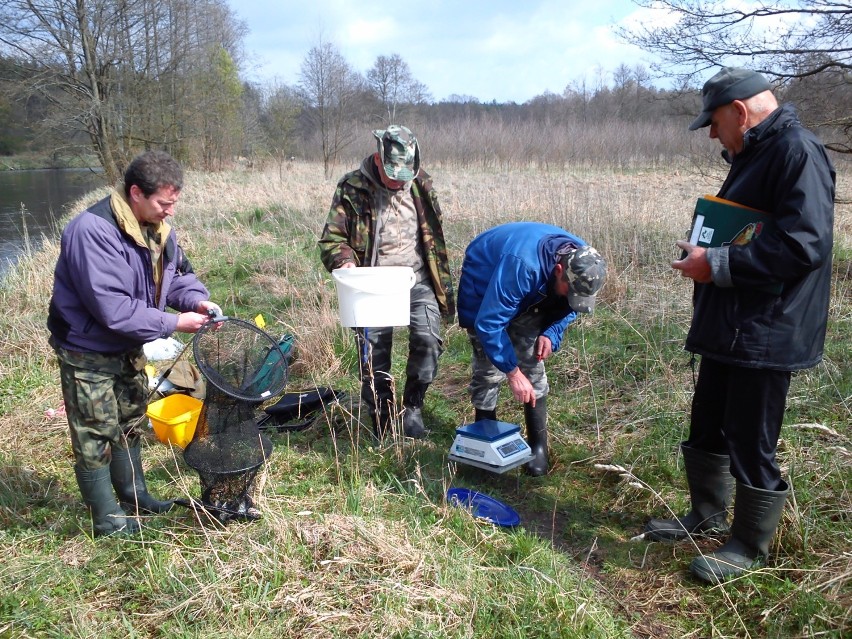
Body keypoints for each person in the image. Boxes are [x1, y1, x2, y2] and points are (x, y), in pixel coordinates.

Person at [643, 68, 836, 583]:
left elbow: (805, 244)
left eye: (713, 122)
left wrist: (719, 263)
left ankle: (749, 547)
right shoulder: (754, 154)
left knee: (752, 437)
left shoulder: (798, 152)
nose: (711, 134)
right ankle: (705, 516)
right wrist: (705, 253)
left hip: (767, 330)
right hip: (732, 323)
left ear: (740, 112)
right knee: (708, 421)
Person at [48, 150, 221, 536]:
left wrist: (198, 301)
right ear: (136, 193)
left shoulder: (158, 229)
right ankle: (107, 520)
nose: (170, 212)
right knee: (95, 431)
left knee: (129, 420)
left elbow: (177, 277)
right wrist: (174, 321)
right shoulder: (90, 231)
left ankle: (134, 496)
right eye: (164, 203)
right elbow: (113, 307)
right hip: (86, 348)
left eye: (173, 203)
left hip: (128, 345)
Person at [318, 125, 455, 440]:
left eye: (404, 174)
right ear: (378, 159)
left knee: (429, 338)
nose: (399, 181)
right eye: (393, 173)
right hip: (372, 280)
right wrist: (346, 263)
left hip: (415, 278)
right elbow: (332, 239)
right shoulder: (353, 187)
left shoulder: (422, 185)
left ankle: (412, 407)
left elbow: (434, 237)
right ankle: (380, 412)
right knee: (373, 351)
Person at [457, 222, 607, 476]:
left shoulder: (584, 263)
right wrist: (513, 373)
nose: (572, 298)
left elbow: (572, 307)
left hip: (532, 287)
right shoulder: (523, 266)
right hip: (486, 276)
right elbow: (489, 323)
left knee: (532, 363)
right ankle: (484, 438)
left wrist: (551, 332)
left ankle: (538, 448)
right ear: (558, 270)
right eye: (568, 291)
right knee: (488, 367)